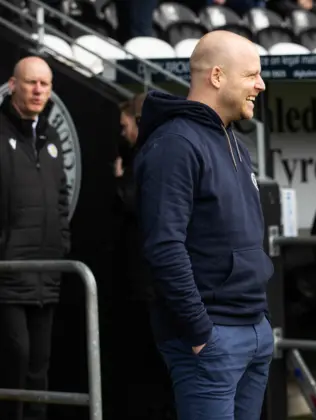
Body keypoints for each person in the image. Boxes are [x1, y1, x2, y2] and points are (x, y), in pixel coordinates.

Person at [134, 31, 273, 420]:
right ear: (216, 76)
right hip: (211, 338)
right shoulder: (175, 143)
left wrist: (262, 324)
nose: (260, 85)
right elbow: (164, 246)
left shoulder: (236, 143)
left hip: (253, 329)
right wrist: (199, 334)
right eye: (251, 75)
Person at [0, 56, 70, 420]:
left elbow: (61, 200)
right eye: (31, 83)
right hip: (8, 273)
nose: (38, 90)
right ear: (13, 85)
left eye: (45, 84)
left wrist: (62, 244)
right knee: (16, 359)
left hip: (47, 272)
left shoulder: (52, 136)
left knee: (39, 367)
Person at [111, 93, 176, 420]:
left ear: (139, 122)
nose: (121, 133)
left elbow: (141, 204)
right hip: (151, 280)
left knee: (156, 359)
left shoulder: (149, 156)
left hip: (153, 281)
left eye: (124, 126)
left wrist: (120, 181)